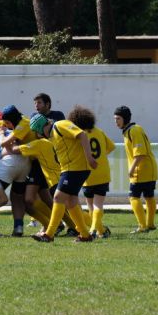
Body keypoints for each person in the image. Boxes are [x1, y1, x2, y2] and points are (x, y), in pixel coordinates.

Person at [29, 108, 98, 243]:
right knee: (70, 201)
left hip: (76, 168)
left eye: (37, 132)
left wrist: (89, 158)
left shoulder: (60, 125)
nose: (38, 135)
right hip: (69, 169)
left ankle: (49, 234)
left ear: (40, 127)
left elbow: (82, 135)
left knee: (58, 197)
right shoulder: (52, 135)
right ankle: (85, 234)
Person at [69, 106, 115, 239]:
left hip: (86, 173)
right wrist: (101, 156)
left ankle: (95, 230)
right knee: (98, 204)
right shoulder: (99, 131)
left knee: (90, 205)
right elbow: (111, 147)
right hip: (102, 172)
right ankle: (98, 230)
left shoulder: (78, 134)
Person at [114, 106, 158, 233]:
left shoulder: (133, 131)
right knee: (149, 196)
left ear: (125, 118)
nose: (116, 122)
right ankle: (150, 224)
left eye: (118, 118)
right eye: (115, 119)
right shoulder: (133, 130)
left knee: (133, 197)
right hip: (149, 168)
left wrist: (132, 169)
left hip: (141, 169)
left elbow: (140, 154)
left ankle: (142, 226)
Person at [28, 93, 65, 229]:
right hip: (39, 161)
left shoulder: (58, 115)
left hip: (55, 162)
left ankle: (66, 224)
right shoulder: (34, 117)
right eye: (35, 103)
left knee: (57, 195)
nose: (36, 106)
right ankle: (51, 223)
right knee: (34, 196)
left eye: (39, 103)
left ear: (48, 104)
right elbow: (35, 135)